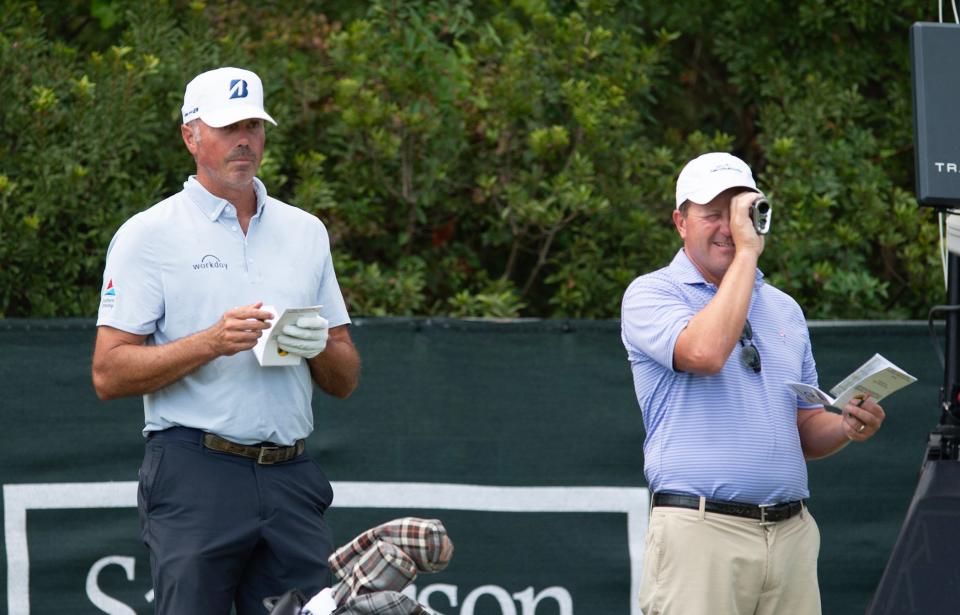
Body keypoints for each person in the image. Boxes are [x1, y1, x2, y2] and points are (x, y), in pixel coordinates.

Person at [91, 66, 361, 614]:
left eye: (254, 126)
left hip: (290, 475)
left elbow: (346, 377)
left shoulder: (305, 231)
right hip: (196, 472)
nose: (244, 139)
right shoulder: (148, 234)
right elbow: (108, 372)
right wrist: (210, 342)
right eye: (227, 126)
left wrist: (318, 347)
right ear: (191, 135)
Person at [620, 152, 886, 615]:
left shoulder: (784, 309)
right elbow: (704, 353)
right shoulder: (651, 293)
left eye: (740, 213)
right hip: (700, 534)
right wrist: (747, 253)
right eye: (712, 215)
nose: (729, 227)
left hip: (790, 535)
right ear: (680, 222)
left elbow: (804, 428)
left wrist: (846, 426)